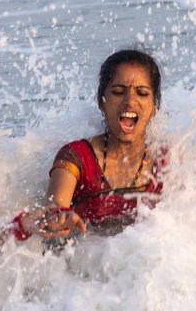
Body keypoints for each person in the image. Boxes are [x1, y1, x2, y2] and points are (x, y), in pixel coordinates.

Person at [11, 49, 165, 241]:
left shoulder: (166, 161)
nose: (129, 101)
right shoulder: (77, 157)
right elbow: (56, 204)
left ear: (154, 108)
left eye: (142, 93)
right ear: (102, 103)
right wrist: (59, 217)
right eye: (118, 92)